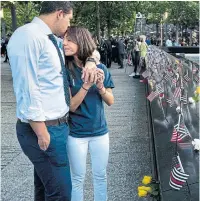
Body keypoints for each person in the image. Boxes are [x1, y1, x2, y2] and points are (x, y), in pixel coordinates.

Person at [7, 2, 97, 201]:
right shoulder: (29, 36)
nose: (68, 24)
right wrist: (41, 131)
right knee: (61, 193)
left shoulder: (50, 39)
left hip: (55, 127)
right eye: (69, 19)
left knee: (46, 188)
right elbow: (27, 86)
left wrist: (90, 61)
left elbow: (89, 50)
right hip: (44, 128)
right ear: (59, 14)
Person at [63, 26, 114, 201]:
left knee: (100, 176)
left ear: (81, 41)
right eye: (64, 39)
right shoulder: (65, 70)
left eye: (69, 40)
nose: (65, 43)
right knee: (77, 178)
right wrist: (86, 85)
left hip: (100, 131)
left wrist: (100, 87)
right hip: (76, 133)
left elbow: (110, 101)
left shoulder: (101, 68)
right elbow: (71, 106)